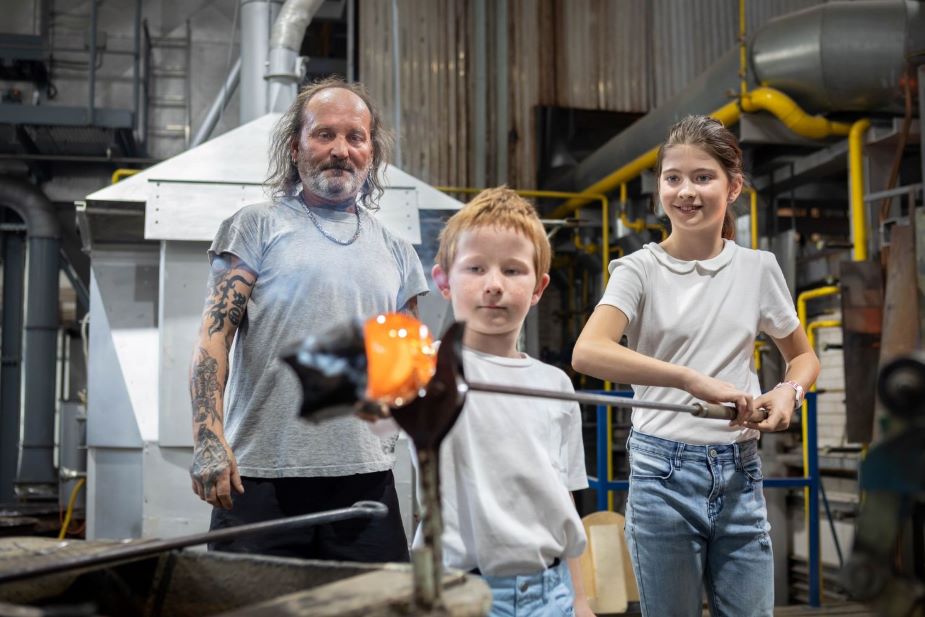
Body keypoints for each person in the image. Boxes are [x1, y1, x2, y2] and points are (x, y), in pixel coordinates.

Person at [572, 116, 820, 617]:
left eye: (703, 177)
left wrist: (788, 392)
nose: (686, 191)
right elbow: (589, 351)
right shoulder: (638, 270)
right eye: (673, 178)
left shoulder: (757, 268)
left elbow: (803, 356)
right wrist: (688, 379)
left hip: (740, 472)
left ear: (733, 187)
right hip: (661, 473)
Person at [188, 77, 429, 562]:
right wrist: (208, 440)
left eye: (355, 137)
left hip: (367, 482)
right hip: (260, 479)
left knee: (378, 602)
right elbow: (213, 341)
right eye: (324, 134)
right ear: (295, 148)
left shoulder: (398, 252)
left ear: (371, 153)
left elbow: (404, 375)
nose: (340, 150)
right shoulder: (256, 225)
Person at [423, 187, 594, 617]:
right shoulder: (426, 372)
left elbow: (564, 500)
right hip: (462, 593)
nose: (494, 285)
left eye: (513, 270)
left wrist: (580, 599)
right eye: (475, 268)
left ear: (538, 288)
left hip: (553, 593)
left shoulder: (556, 384)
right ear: (443, 281)